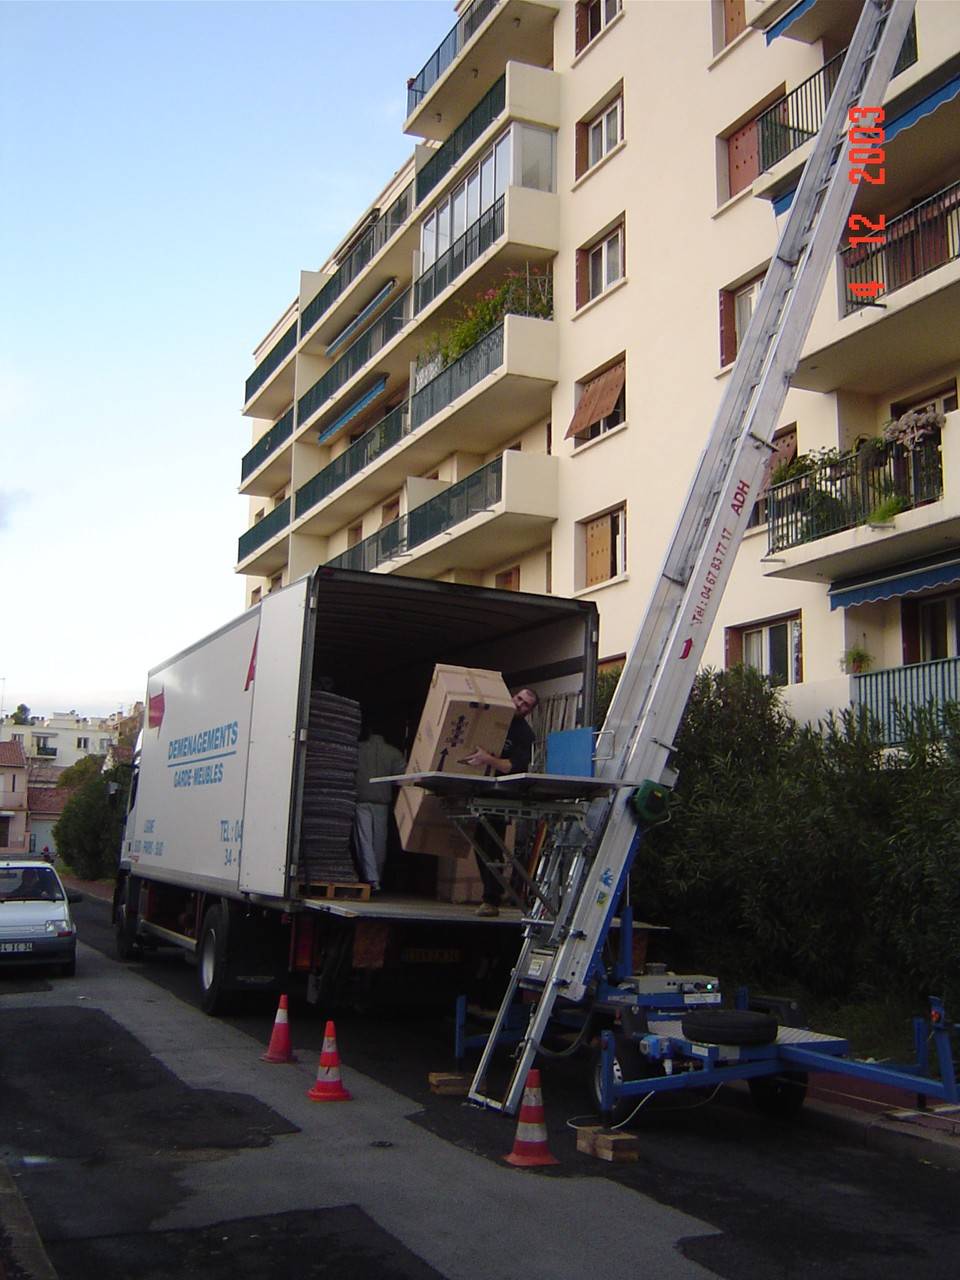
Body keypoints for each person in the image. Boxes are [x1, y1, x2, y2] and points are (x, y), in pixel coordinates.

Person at [463, 687, 539, 917]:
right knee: (479, 841)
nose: (520, 705)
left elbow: (512, 767)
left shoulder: (524, 734)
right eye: (519, 699)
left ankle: (491, 899)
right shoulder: (493, 716)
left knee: (491, 842)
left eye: (526, 705)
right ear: (513, 696)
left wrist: (488, 759)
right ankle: (491, 895)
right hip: (480, 788)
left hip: (500, 794)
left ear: (529, 711)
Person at [353, 725, 406, 892]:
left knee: (364, 841)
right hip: (382, 803)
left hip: (361, 801)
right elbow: (403, 778)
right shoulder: (393, 753)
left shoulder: (356, 750)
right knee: (379, 843)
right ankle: (378, 878)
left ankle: (371, 879)